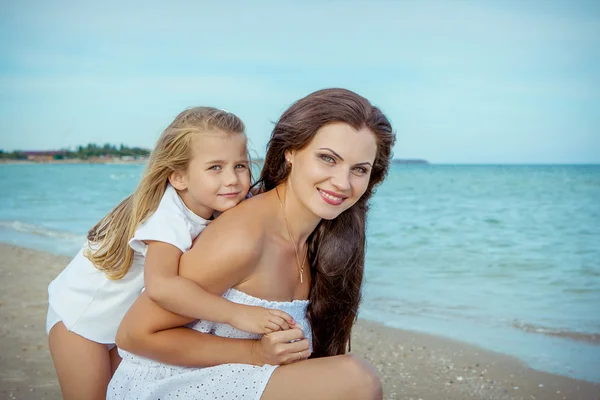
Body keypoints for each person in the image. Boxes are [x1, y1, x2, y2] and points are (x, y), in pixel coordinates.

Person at [108, 88, 396, 400]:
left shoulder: (320, 236)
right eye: (328, 159)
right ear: (291, 151)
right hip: (171, 384)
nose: (342, 182)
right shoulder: (243, 236)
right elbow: (134, 334)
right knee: (356, 381)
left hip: (241, 378)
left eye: (360, 169)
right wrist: (255, 352)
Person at [46, 107, 296, 400]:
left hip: (120, 325)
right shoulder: (168, 218)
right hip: (80, 321)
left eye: (240, 166)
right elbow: (162, 287)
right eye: (215, 167)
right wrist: (237, 315)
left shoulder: (216, 203)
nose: (232, 179)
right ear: (179, 177)